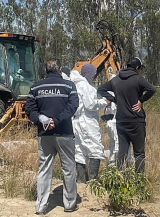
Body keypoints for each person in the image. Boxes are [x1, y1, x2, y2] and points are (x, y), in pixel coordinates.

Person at [24, 59, 79, 214]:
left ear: (46, 70)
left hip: (44, 134)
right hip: (64, 133)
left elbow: (29, 108)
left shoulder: (36, 87)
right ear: (60, 69)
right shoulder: (69, 86)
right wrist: (58, 120)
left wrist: (41, 119)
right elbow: (73, 106)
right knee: (68, 168)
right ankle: (69, 204)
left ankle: (41, 206)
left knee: (44, 169)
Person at [97, 57, 156, 173]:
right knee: (139, 152)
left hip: (121, 121)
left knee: (122, 151)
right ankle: (139, 180)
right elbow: (152, 89)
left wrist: (115, 100)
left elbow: (101, 89)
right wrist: (141, 100)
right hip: (136, 120)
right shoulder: (138, 79)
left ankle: (119, 177)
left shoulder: (116, 80)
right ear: (137, 68)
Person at [70, 64, 107, 183]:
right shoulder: (86, 87)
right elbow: (90, 105)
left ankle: (81, 180)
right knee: (95, 149)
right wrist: (104, 102)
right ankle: (93, 181)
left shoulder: (75, 85)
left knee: (80, 150)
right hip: (88, 122)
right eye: (94, 73)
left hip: (76, 122)